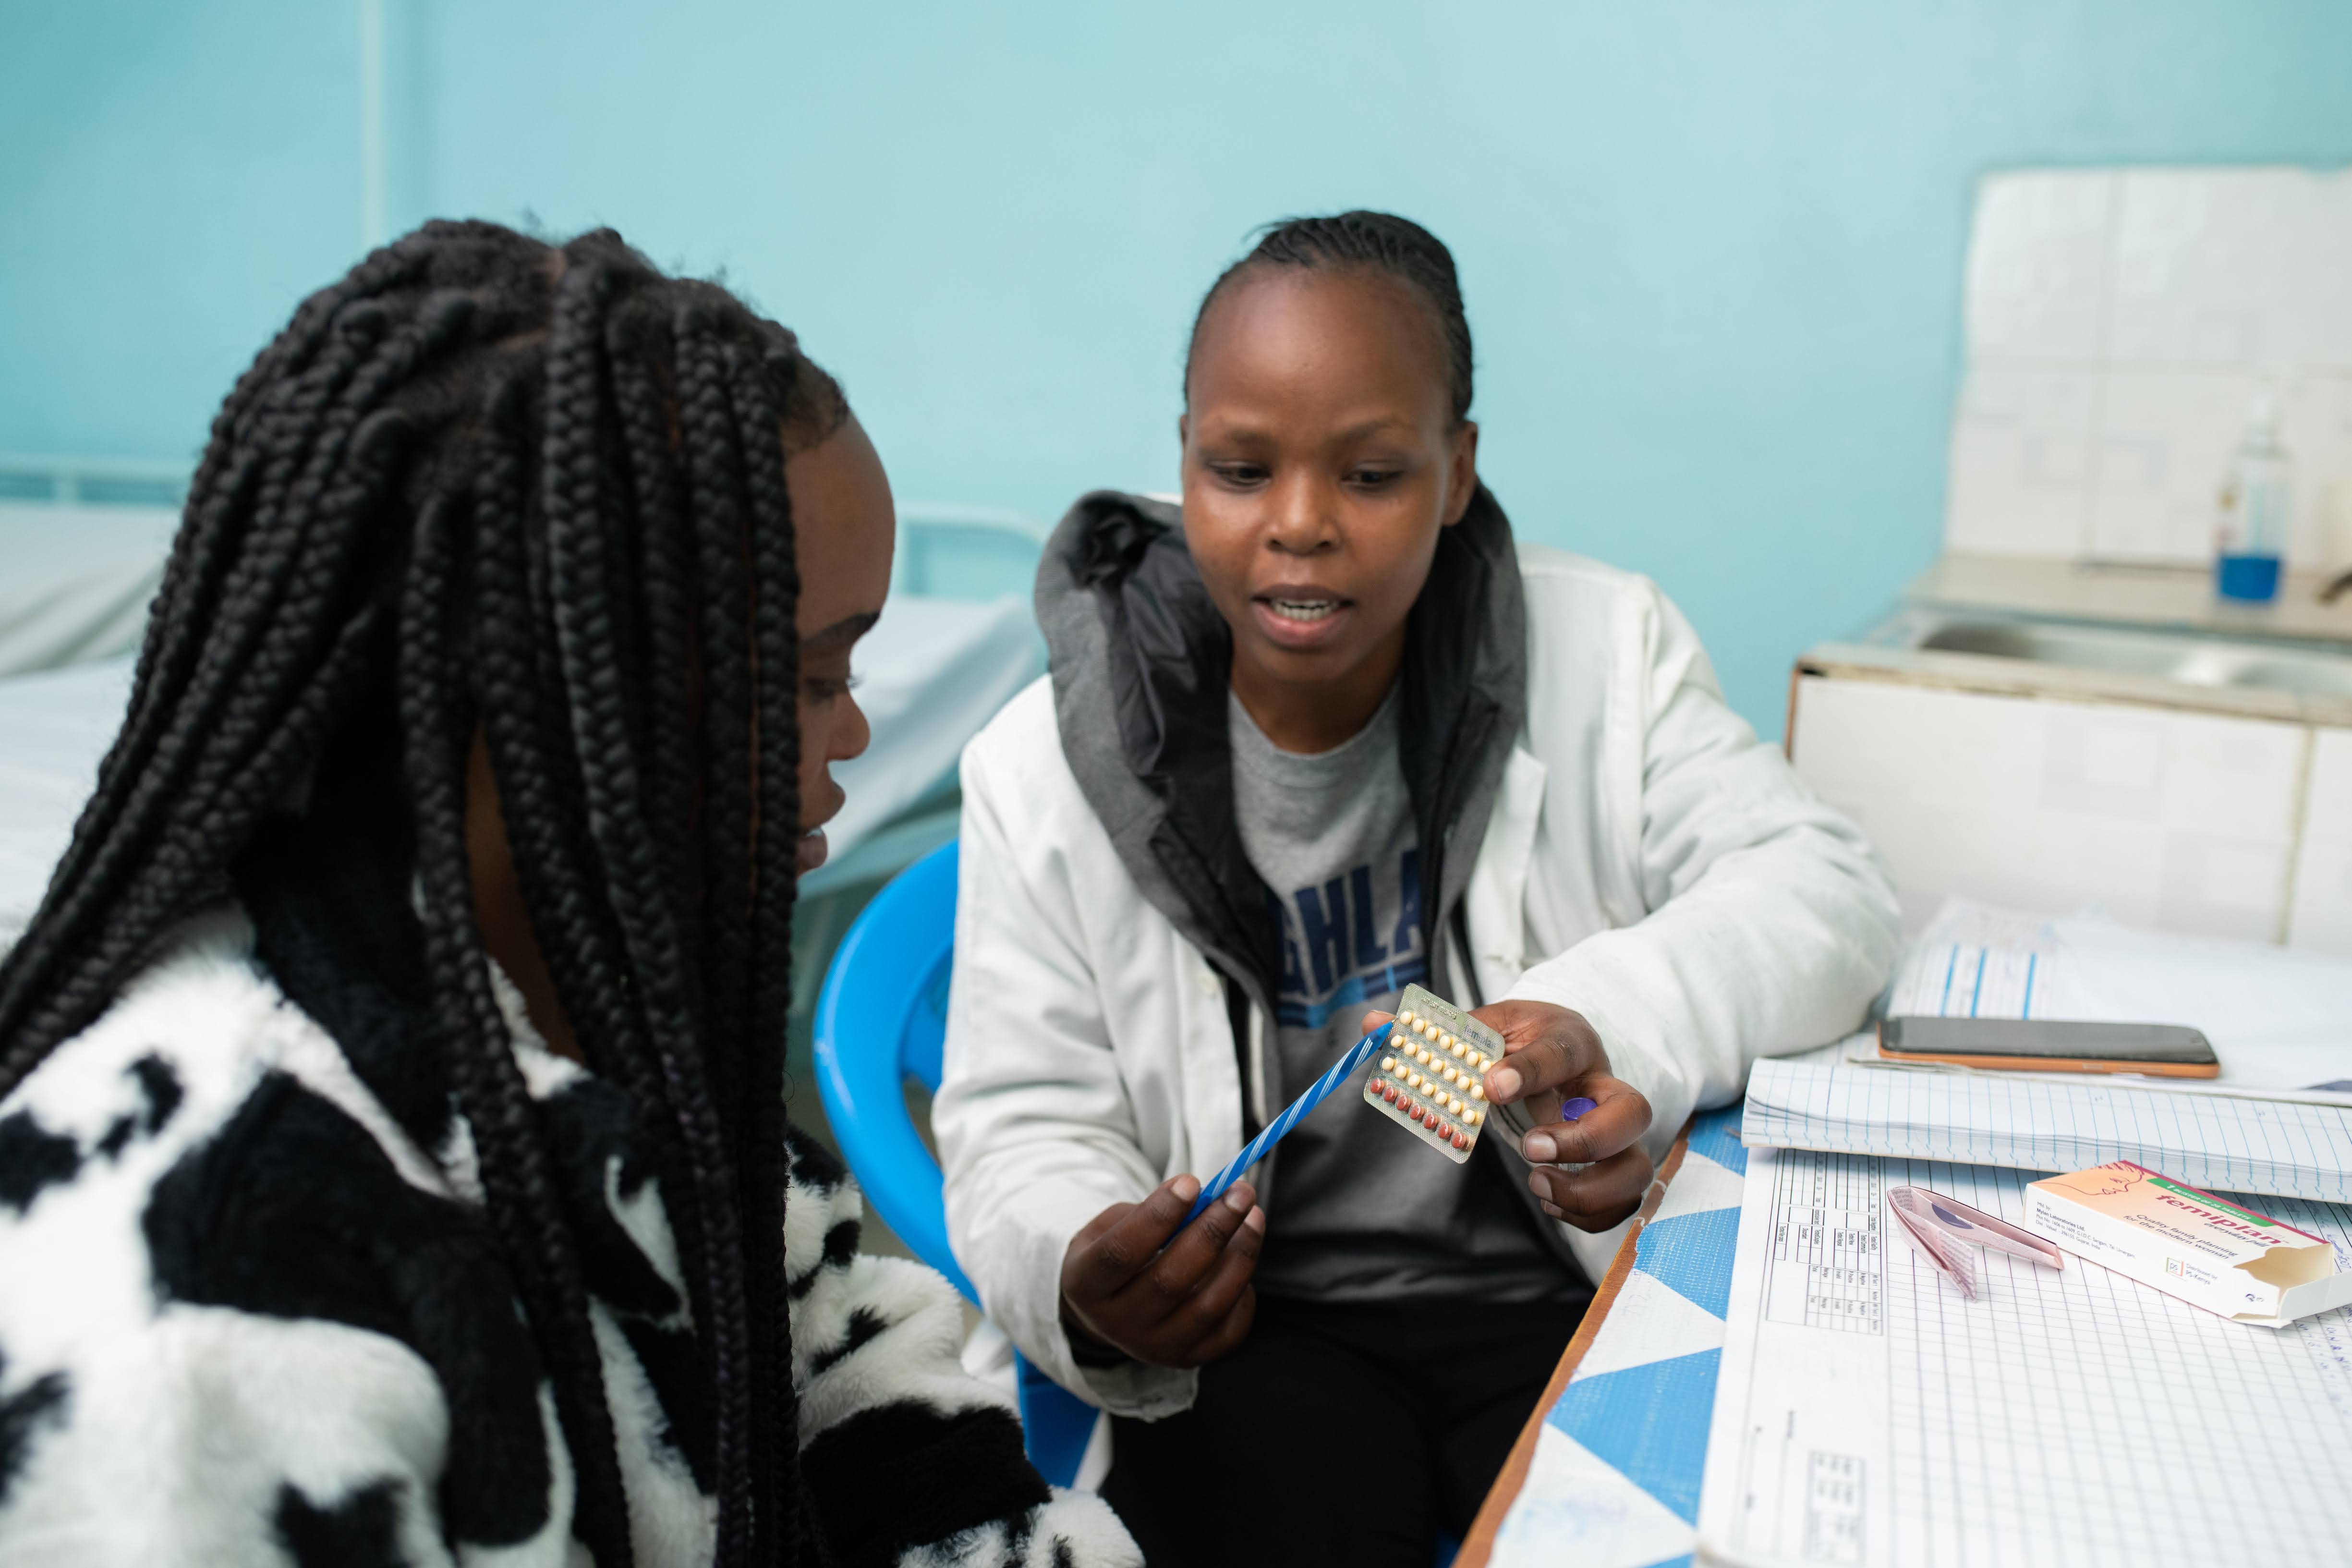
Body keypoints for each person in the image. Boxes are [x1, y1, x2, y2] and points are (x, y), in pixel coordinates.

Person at [0, 222, 1138, 1568]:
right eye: (815, 677)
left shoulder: (640, 1084)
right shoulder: (212, 1287)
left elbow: (880, 1415)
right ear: (550, 709)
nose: (851, 737)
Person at [934, 211, 1902, 1566]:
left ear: (1458, 474)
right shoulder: (1046, 762)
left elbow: (1826, 891)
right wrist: (1090, 1270)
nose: (1298, 524)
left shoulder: (1599, 652)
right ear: (1182, 464)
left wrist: (1599, 1012)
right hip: (1263, 1332)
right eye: (1237, 466)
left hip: (1553, 1288)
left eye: (1373, 472)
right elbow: (1021, 1122)